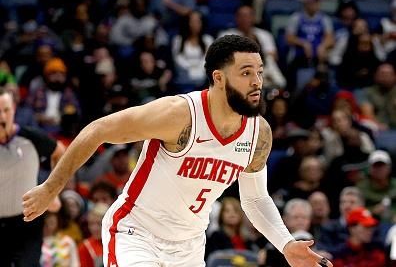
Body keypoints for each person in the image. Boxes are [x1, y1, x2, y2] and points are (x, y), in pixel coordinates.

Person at [22, 35, 332, 267]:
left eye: (260, 72)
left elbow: (254, 198)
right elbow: (98, 130)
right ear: (219, 78)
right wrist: (52, 187)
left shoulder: (258, 133)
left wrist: (286, 244)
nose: (257, 82)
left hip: (189, 246)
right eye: (246, 73)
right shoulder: (179, 115)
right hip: (136, 233)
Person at [0, 86, 65, 267]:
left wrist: (52, 191)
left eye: (6, 110)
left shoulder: (30, 138)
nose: (2, 117)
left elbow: (60, 153)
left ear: (14, 110)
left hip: (27, 221)